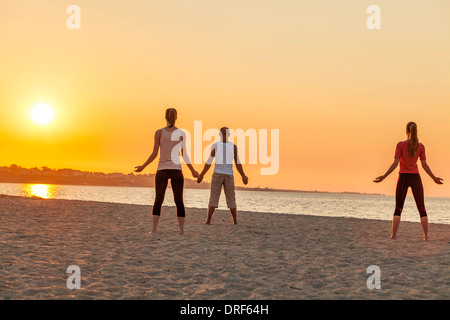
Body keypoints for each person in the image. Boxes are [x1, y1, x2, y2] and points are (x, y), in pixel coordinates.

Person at [374, 121, 443, 240]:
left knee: (398, 208)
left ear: (406, 131)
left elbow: (395, 163)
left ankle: (393, 236)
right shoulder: (420, 146)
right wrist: (434, 178)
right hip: (416, 178)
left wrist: (384, 176)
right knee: (422, 208)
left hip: (403, 177)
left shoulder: (400, 145)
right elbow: (424, 165)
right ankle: (426, 236)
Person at [135, 108, 199, 235]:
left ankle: (154, 229)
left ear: (165, 117)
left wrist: (143, 166)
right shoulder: (181, 133)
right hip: (176, 170)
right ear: (176, 117)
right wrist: (192, 170)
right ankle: (181, 230)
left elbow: (154, 153)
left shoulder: (159, 132)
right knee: (179, 201)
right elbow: (184, 155)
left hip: (162, 170)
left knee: (159, 200)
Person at [197, 127, 248, 225]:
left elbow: (209, 162)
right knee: (231, 198)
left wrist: (202, 175)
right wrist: (243, 176)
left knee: (214, 197)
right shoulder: (233, 147)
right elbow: (238, 163)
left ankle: (208, 221)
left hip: (218, 174)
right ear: (229, 135)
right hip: (229, 175)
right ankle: (235, 221)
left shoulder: (216, 146)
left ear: (220, 134)